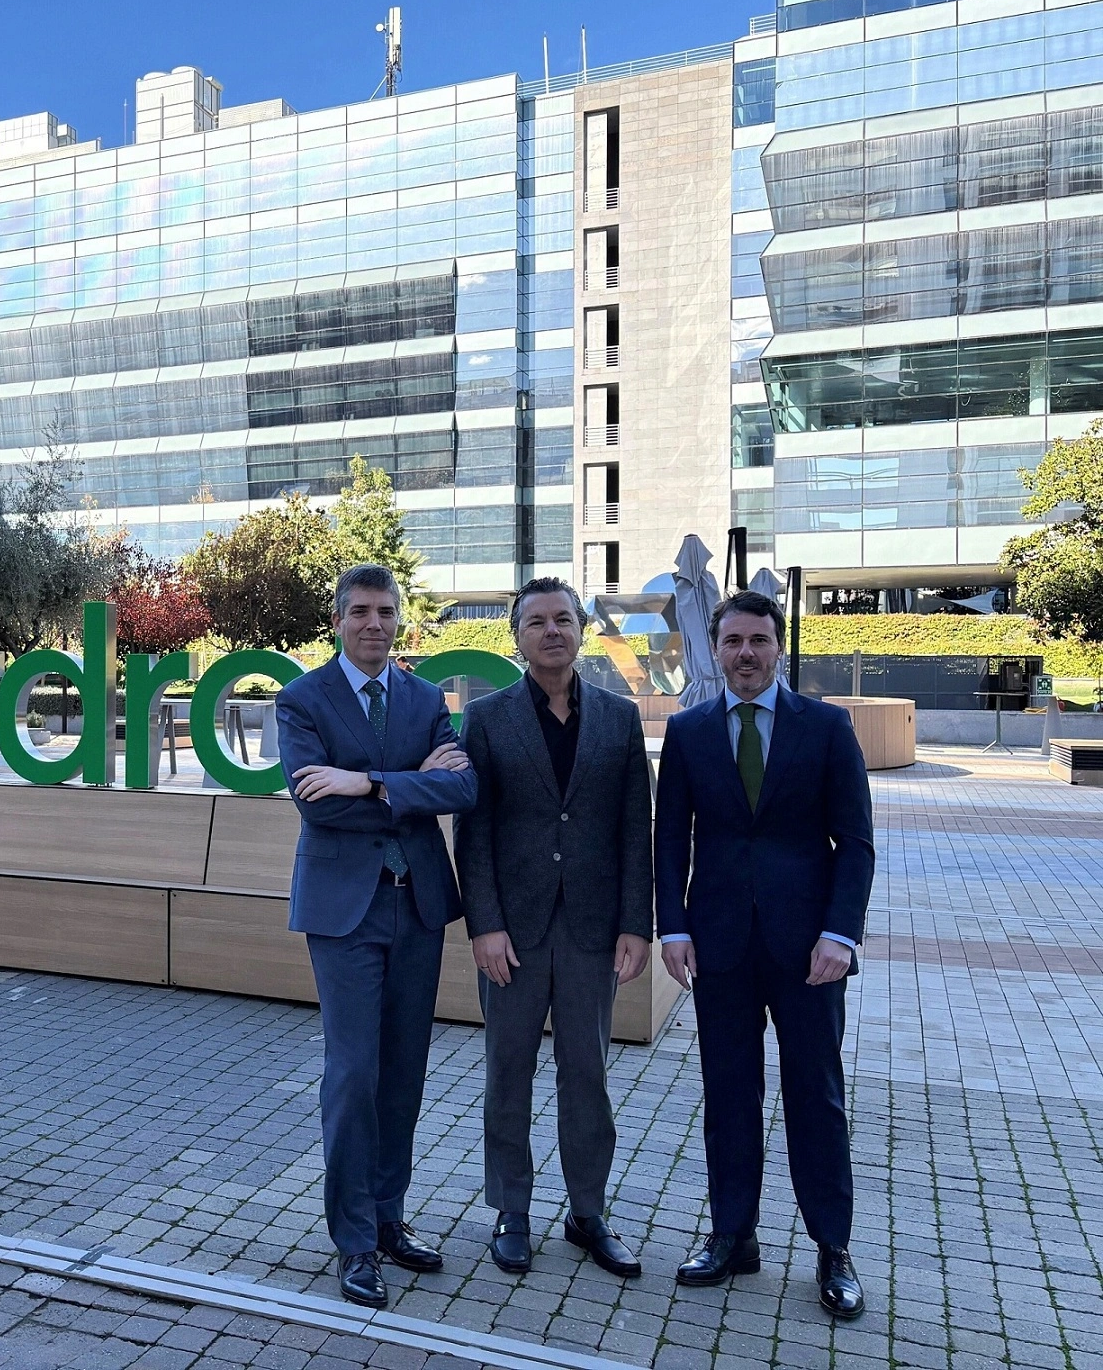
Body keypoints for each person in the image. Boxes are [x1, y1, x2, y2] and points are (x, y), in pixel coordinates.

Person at [655, 589, 874, 1320]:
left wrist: (841, 934)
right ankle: (732, 1233)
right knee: (728, 1093)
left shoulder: (828, 727)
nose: (745, 653)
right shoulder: (687, 733)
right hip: (718, 945)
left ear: (778, 647)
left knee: (816, 1095)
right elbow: (668, 840)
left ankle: (833, 1248)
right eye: (732, 642)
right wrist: (672, 927)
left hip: (809, 949)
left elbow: (858, 844)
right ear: (715, 650)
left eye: (758, 640)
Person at [276, 563, 478, 1309]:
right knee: (354, 1074)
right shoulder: (302, 699)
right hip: (345, 912)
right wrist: (408, 782)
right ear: (338, 619)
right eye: (359, 610)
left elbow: (463, 787)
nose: (373, 623)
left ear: (400, 619)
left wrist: (366, 780)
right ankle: (354, 1239)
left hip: (417, 905)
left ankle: (390, 1215)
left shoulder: (426, 697)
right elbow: (314, 803)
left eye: (385, 611)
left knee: (405, 1073)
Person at [454, 577, 653, 1278]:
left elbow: (637, 828)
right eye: (536, 621)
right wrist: (484, 924)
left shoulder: (619, 718)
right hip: (513, 930)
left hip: (593, 926)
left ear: (580, 629)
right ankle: (511, 1208)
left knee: (588, 1072)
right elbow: (471, 833)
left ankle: (588, 1211)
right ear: (517, 635)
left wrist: (638, 923)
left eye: (563, 618)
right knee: (508, 1068)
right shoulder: (484, 719)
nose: (551, 631)